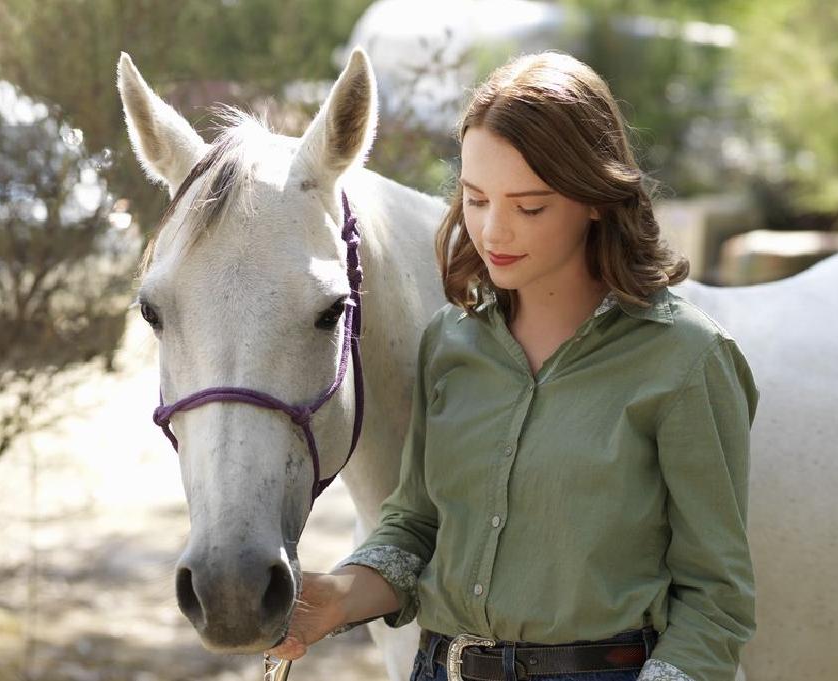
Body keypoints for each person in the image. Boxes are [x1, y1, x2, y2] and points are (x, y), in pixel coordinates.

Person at [267, 51, 758, 681]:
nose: (492, 232)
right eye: (474, 199)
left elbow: (717, 601)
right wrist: (335, 599)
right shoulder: (449, 342)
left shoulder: (687, 361)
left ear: (596, 199)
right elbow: (415, 526)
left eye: (529, 207)